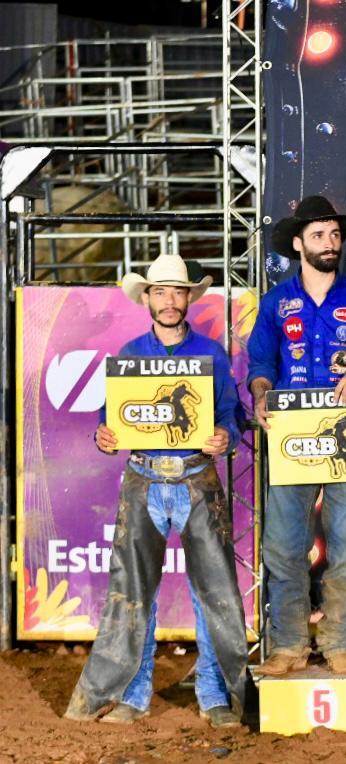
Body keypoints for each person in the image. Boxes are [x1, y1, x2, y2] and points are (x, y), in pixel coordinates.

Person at [64, 254, 248, 727]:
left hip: (196, 476)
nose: (169, 301)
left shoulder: (212, 354)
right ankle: (133, 692)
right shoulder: (129, 355)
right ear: (147, 298)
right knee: (134, 588)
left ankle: (216, 693)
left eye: (177, 292)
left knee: (212, 590)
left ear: (188, 298)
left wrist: (225, 435)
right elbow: (111, 419)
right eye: (161, 292)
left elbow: (230, 414)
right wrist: (104, 435)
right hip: (143, 477)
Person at [248, 196, 346, 676]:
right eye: (318, 236)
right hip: (290, 430)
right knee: (283, 545)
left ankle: (339, 641)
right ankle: (290, 644)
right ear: (298, 244)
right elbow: (260, 362)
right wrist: (261, 392)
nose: (330, 243)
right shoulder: (275, 303)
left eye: (335, 235)